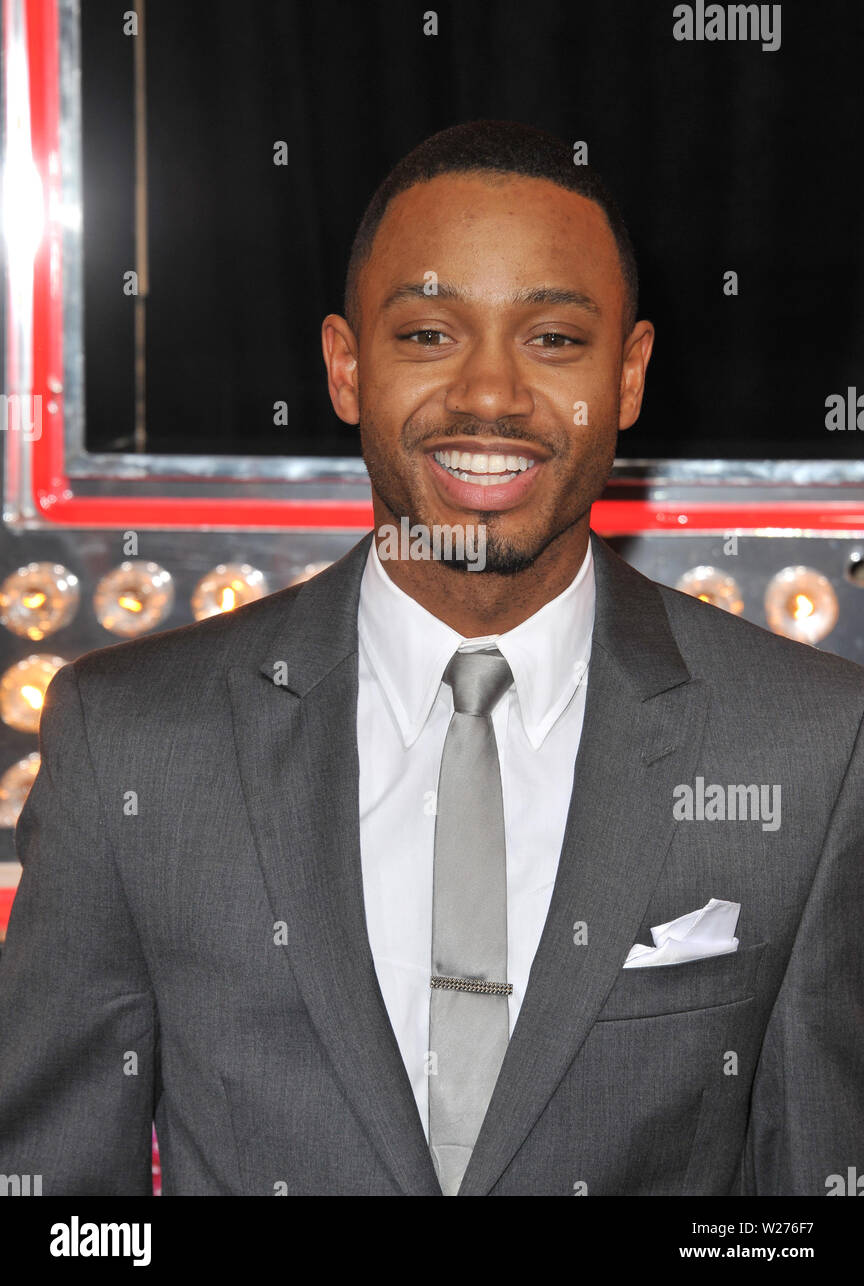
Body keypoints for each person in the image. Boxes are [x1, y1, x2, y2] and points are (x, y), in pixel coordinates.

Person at [0, 120, 862, 1196]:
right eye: (427, 335)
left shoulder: (812, 744)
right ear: (347, 367)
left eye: (552, 339)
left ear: (630, 376)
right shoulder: (131, 741)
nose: (491, 396)